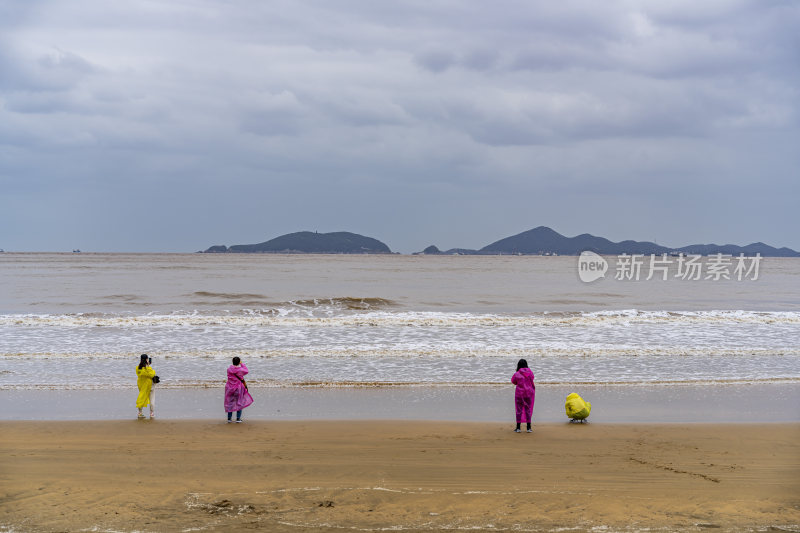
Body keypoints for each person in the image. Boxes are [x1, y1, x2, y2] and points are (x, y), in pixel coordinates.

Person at [225, 356, 254, 423]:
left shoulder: (229, 369)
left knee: (230, 402)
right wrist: (242, 364)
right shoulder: (240, 370)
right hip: (238, 387)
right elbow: (246, 371)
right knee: (239, 402)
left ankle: (229, 419)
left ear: (232, 362)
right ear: (239, 362)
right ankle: (238, 419)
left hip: (229, 387)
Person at [511, 358, 535, 433]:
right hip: (528, 393)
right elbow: (532, 379)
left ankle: (518, 428)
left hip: (519, 394)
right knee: (528, 410)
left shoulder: (517, 373)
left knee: (519, 410)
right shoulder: (530, 372)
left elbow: (513, 381)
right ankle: (529, 428)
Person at [136, 354, 156, 419]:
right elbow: (152, 374)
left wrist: (147, 366)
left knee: (141, 397)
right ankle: (151, 413)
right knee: (152, 399)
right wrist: (148, 366)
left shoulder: (137, 368)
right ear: (147, 359)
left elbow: (140, 374)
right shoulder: (148, 368)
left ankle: (140, 413)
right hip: (150, 386)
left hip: (142, 385)